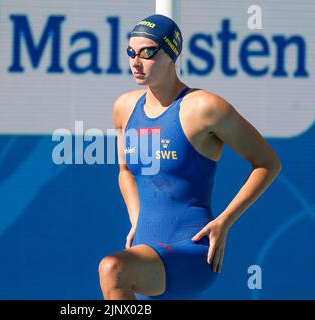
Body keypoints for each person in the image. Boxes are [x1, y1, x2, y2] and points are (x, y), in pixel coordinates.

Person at [98, 14, 281, 300]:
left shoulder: (205, 108)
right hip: (145, 249)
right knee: (118, 269)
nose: (136, 61)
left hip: (193, 247)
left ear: (171, 54)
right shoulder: (124, 107)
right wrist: (137, 218)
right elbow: (124, 171)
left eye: (148, 52)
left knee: (113, 269)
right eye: (131, 52)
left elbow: (267, 163)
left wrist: (225, 222)